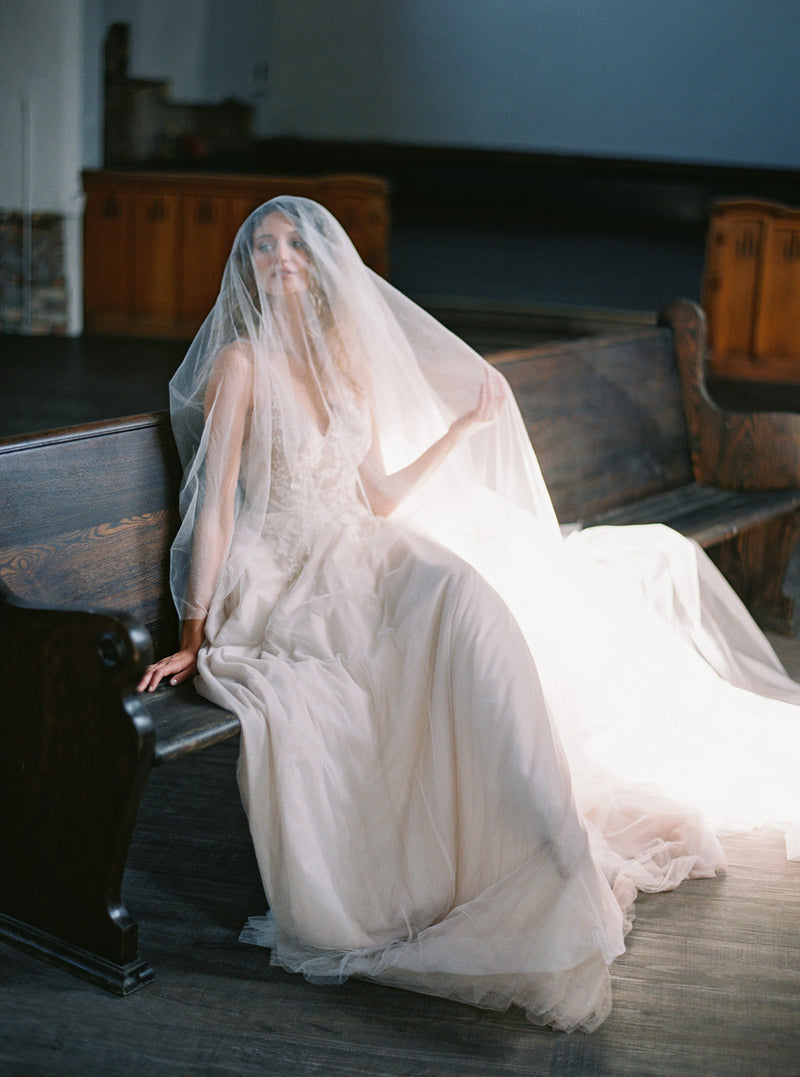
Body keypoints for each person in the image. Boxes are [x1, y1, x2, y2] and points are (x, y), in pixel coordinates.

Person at [138, 196, 800, 1032]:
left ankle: (546, 842)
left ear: (315, 266)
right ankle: (479, 866)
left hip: (362, 548)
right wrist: (194, 634)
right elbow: (217, 514)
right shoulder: (240, 364)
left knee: (469, 600)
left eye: (292, 247)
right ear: (250, 269)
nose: (277, 259)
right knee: (392, 664)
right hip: (288, 577)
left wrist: (455, 428)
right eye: (262, 248)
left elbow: (376, 493)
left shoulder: (342, 361)